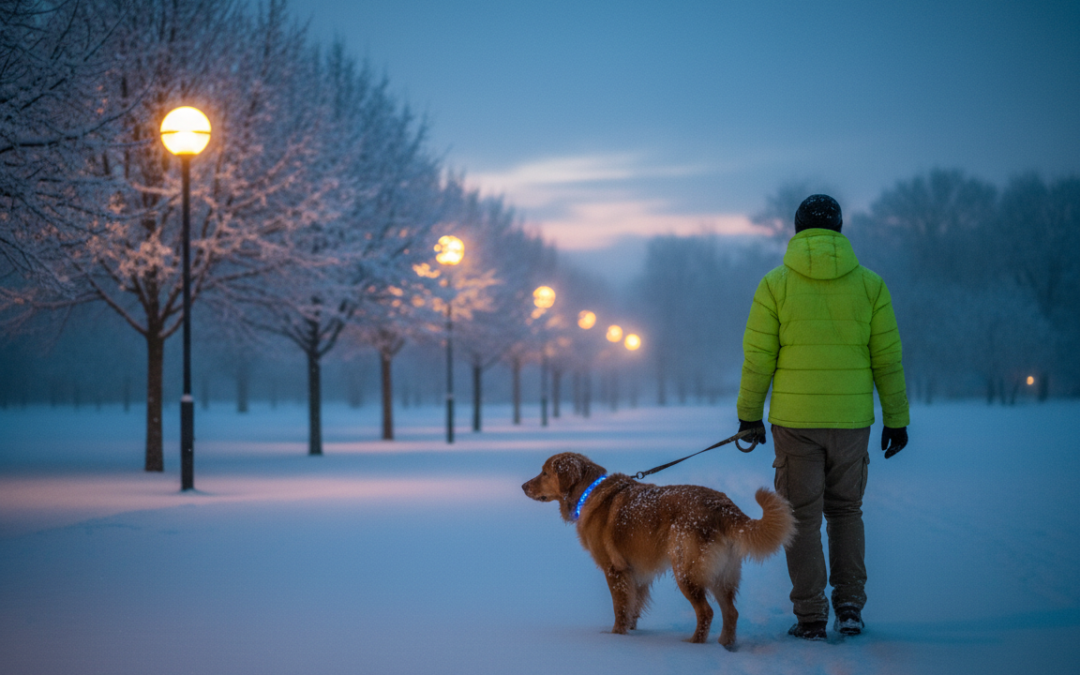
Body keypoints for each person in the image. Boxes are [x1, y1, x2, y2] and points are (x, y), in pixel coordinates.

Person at [736, 194, 909, 641]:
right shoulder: (871, 285)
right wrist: (896, 419)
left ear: (796, 230)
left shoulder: (775, 284)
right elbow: (887, 360)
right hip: (852, 420)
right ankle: (849, 607)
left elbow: (758, 359)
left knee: (802, 518)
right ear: (839, 229)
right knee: (847, 512)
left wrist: (748, 417)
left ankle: (811, 614)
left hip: (794, 422)